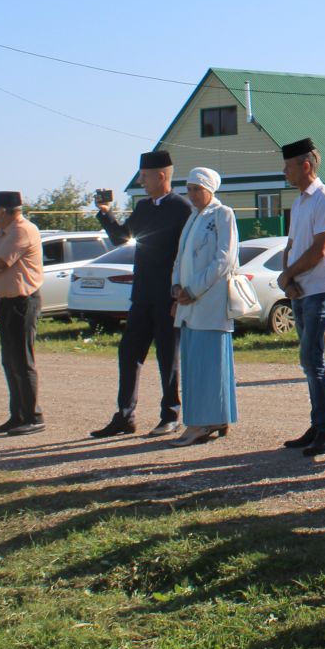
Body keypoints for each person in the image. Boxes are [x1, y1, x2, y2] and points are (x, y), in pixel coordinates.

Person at [91, 151, 192, 438]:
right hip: (142, 294)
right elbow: (122, 237)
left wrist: (179, 293)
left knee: (167, 357)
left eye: (145, 176)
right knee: (129, 353)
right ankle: (125, 415)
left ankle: (170, 414)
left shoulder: (182, 208)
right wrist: (105, 212)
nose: (141, 181)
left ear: (161, 175)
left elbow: (187, 255)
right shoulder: (145, 207)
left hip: (168, 297)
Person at [277, 138, 325, 458]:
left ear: (306, 165)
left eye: (289, 165)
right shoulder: (300, 202)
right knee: (309, 360)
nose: (285, 171)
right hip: (300, 290)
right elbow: (291, 246)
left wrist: (289, 275)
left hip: (319, 288)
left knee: (312, 357)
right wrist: (287, 278)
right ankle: (318, 425)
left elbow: (320, 249)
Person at [170, 167, 239, 446]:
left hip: (209, 303)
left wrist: (194, 288)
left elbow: (224, 259)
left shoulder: (223, 214)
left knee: (210, 365)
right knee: (194, 363)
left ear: (211, 189)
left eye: (198, 188)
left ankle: (202, 422)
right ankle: (212, 418)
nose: (193, 194)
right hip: (189, 305)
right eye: (189, 189)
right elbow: (181, 256)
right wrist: (176, 287)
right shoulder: (192, 218)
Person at [0, 190, 45, 435]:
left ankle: (33, 416)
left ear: (2, 210)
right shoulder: (2, 233)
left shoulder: (22, 230)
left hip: (22, 301)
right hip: (6, 301)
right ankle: (17, 415)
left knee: (22, 359)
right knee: (9, 360)